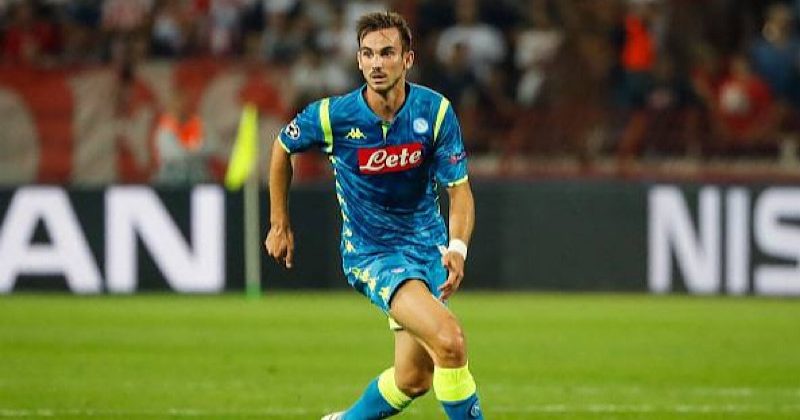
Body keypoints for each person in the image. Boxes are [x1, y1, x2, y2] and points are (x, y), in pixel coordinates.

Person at [264, 11, 483, 420]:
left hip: (428, 250)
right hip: (373, 254)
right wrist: (279, 223)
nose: (377, 63)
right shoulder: (333, 116)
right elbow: (282, 147)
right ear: (358, 61)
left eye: (386, 53)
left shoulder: (435, 112)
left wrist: (457, 248)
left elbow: (459, 189)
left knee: (413, 379)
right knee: (450, 341)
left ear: (407, 59)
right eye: (368, 54)